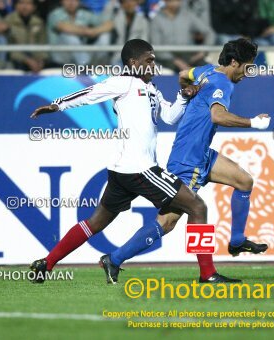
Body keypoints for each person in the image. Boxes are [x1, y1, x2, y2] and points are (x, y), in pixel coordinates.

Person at [28, 39, 205, 284]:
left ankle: (47, 263)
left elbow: (170, 117)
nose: (154, 64)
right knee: (197, 207)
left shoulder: (151, 87)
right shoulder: (122, 82)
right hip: (141, 169)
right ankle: (207, 274)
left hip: (122, 171)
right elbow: (88, 94)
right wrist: (56, 105)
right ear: (133, 63)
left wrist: (183, 96)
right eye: (149, 60)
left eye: (154, 59)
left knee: (95, 222)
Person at [108, 38, 271, 283]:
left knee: (244, 181)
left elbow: (184, 74)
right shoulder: (222, 83)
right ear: (235, 63)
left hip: (201, 153)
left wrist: (189, 89)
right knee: (167, 222)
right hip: (188, 160)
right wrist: (253, 122)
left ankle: (237, 241)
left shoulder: (206, 71)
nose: (248, 73)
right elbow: (217, 115)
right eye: (247, 67)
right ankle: (115, 258)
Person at [150, 0, 215, 72]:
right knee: (177, 71)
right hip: (167, 59)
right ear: (165, 1)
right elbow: (157, 47)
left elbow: (209, 33)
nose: (176, 2)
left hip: (189, 57)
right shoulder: (156, 19)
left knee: (209, 69)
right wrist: (176, 61)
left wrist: (202, 52)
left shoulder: (188, 15)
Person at [47, 0, 113, 65]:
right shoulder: (55, 14)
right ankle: (85, 66)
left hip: (83, 54)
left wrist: (94, 31)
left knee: (105, 35)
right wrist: (86, 32)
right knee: (69, 36)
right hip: (61, 56)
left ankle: (100, 64)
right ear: (61, 1)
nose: (71, 2)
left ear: (79, 2)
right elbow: (64, 27)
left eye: (74, 0)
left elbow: (109, 24)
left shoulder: (84, 13)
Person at [5, 0, 48, 73]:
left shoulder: (38, 22)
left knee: (54, 68)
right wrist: (26, 60)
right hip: (16, 59)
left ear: (34, 7)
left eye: (28, 3)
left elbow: (42, 43)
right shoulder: (8, 21)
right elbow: (9, 49)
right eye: (21, 3)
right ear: (16, 5)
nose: (24, 6)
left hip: (35, 58)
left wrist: (41, 60)